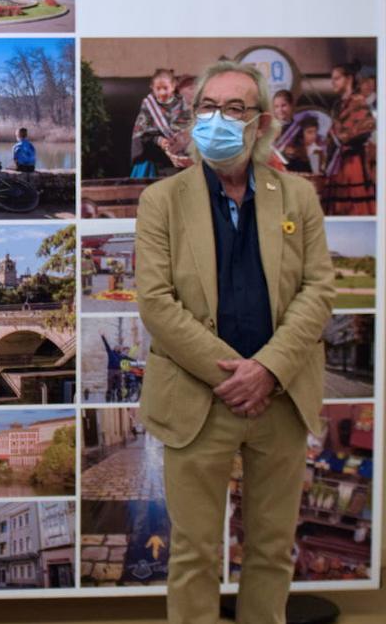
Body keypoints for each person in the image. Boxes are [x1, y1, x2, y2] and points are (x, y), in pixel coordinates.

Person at [135, 61, 335, 624]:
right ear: (192, 116)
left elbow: (319, 291)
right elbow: (156, 303)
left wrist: (267, 370)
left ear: (261, 122)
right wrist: (233, 377)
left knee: (272, 552)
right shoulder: (162, 201)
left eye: (234, 109)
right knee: (195, 553)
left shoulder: (297, 198)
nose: (218, 120)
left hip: (280, 400)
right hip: (200, 402)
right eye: (207, 108)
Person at [324, 63, 376, 215]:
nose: (333, 82)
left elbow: (366, 126)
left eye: (337, 78)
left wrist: (341, 136)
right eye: (332, 79)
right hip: (338, 163)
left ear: (349, 79)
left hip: (353, 164)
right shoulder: (338, 105)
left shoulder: (358, 101)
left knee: (354, 205)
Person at [130, 68, 193, 178]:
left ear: (173, 86)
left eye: (165, 88)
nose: (162, 92)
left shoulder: (181, 103)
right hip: (155, 159)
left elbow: (187, 124)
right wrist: (158, 140)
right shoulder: (148, 105)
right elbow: (141, 132)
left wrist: (179, 137)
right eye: (158, 89)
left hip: (180, 156)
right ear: (152, 88)